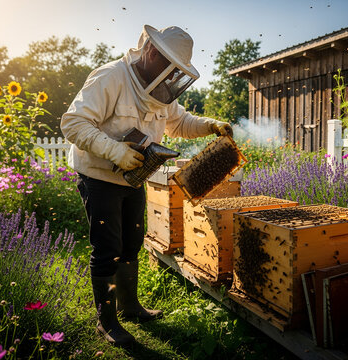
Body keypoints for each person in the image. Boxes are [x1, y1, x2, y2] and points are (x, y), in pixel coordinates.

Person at [60, 25, 232, 346]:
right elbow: (73, 122)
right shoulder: (110, 77)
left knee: (132, 240)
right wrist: (114, 150)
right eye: (169, 67)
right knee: (107, 247)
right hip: (99, 175)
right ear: (152, 52)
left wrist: (210, 125)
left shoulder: (161, 90)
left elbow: (179, 122)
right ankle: (107, 322)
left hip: (134, 174)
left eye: (177, 71)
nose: (170, 77)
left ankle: (131, 307)